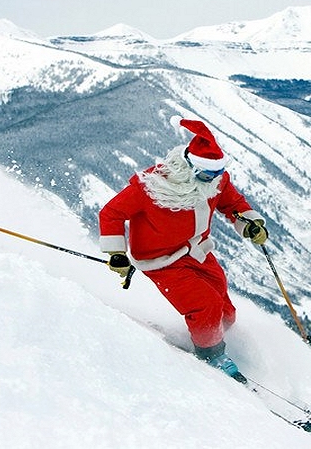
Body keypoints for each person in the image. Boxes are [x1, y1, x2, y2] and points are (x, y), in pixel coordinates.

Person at [98, 115, 268, 383]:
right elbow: (111, 213)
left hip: (197, 251)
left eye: (216, 173)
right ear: (186, 166)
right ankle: (211, 355)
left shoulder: (214, 180)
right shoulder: (150, 188)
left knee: (224, 308)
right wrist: (117, 253)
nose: (211, 180)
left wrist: (249, 223)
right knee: (205, 304)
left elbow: (232, 203)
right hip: (161, 261)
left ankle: (215, 337)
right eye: (205, 174)